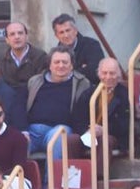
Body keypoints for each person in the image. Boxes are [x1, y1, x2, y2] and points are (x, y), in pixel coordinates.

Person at [25, 45, 92, 174]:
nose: (61, 65)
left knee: (58, 138)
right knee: (17, 141)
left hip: (61, 129)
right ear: (49, 65)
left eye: (65, 62)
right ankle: (23, 187)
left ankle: (52, 187)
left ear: (72, 65)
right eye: (56, 62)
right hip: (33, 130)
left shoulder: (82, 83)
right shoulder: (34, 81)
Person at [90, 57, 131, 156]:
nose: (108, 77)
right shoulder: (90, 92)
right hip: (89, 134)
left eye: (112, 73)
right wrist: (88, 129)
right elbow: (78, 118)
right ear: (99, 74)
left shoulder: (124, 94)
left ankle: (99, 172)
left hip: (112, 136)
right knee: (71, 140)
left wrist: (103, 130)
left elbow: (124, 123)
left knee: (104, 141)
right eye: (104, 73)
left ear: (118, 75)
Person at [50, 14, 102, 85]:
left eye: (68, 30)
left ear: (75, 30)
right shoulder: (54, 53)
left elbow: (94, 72)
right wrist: (82, 69)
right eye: (61, 32)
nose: (66, 35)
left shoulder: (92, 45)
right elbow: (52, 75)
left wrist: (65, 73)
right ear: (56, 36)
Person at [0, 21, 48, 97]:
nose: (17, 37)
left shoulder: (40, 57)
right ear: (7, 40)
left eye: (20, 33)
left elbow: (41, 84)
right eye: (12, 34)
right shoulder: (1, 60)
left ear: (26, 36)